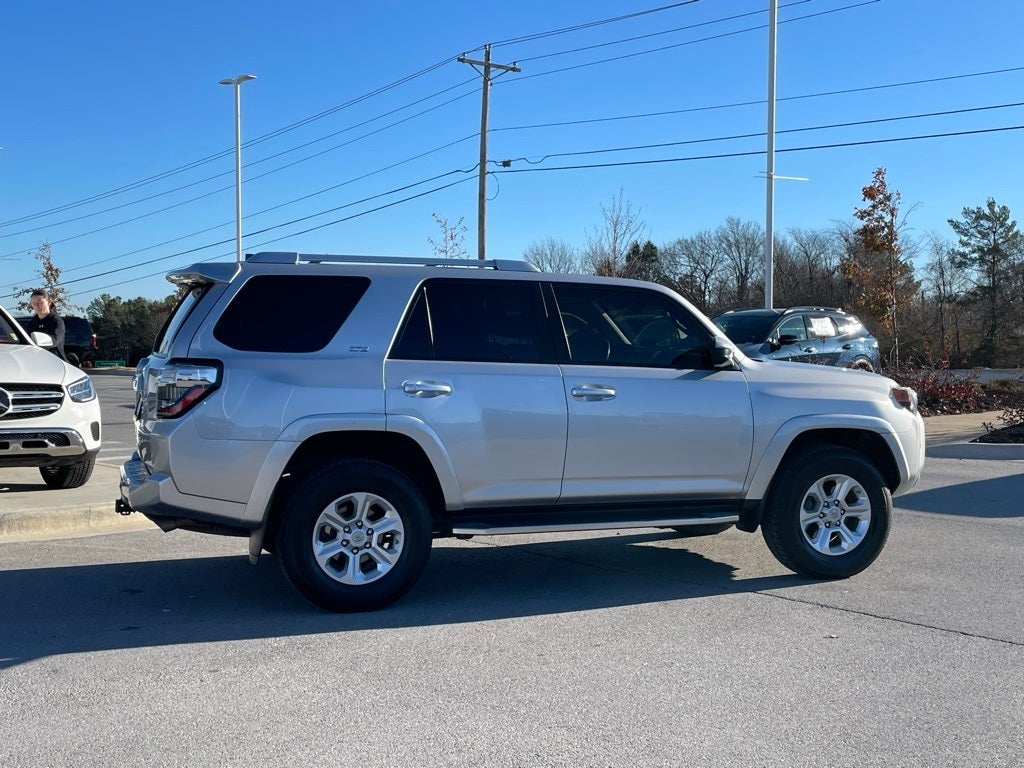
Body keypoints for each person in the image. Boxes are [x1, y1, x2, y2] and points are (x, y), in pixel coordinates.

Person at [24, 289, 67, 360]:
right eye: (33, 304)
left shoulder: (56, 321)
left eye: (40, 303)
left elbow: (55, 340)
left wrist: (40, 341)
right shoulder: (31, 323)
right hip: (35, 360)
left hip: (55, 361)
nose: (36, 306)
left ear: (49, 302)